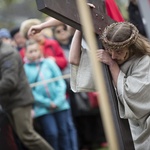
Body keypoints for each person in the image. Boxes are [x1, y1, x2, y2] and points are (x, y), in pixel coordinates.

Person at [69, 21, 150, 150]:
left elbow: (132, 94)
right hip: (133, 127)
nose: (113, 55)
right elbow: (74, 60)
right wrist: (80, 26)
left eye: (118, 51)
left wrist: (112, 65)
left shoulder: (145, 61)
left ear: (131, 46)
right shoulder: (111, 58)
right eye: (109, 50)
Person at [0, 39, 53, 150]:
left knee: (27, 136)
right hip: (11, 102)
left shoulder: (6, 53)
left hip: (19, 101)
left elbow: (9, 81)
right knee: (24, 136)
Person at [24, 39, 75, 150]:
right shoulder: (25, 69)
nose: (33, 54)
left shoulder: (49, 63)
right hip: (42, 108)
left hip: (60, 104)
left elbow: (60, 82)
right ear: (26, 53)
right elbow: (29, 90)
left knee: (64, 132)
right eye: (30, 51)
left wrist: (57, 100)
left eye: (35, 50)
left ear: (40, 50)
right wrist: (47, 103)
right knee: (52, 133)